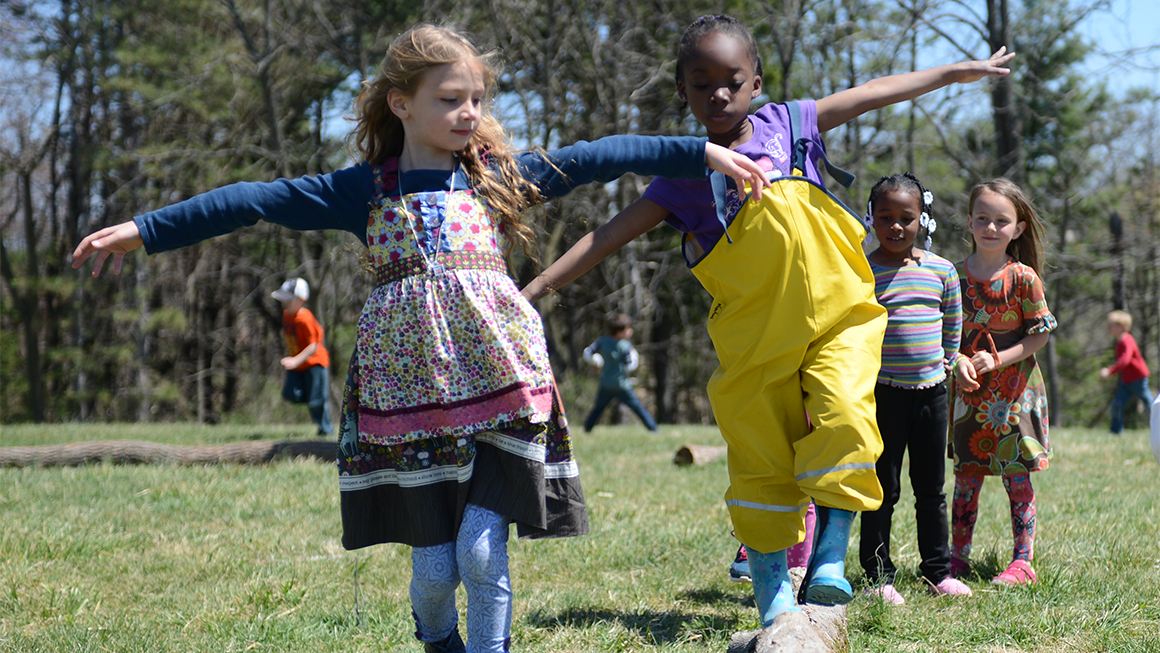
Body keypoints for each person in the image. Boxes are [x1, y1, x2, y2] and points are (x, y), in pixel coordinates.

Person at [71, 24, 768, 653]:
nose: (470, 113)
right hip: (410, 401)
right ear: (401, 103)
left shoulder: (496, 175)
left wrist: (700, 151)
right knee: (435, 571)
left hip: (502, 387)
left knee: (481, 552)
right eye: (450, 99)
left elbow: (600, 155)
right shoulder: (364, 191)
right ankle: (440, 642)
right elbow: (253, 199)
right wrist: (145, 229)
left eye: (477, 99)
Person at [520, 14, 1014, 626]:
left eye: (732, 81)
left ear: (757, 83)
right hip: (757, 342)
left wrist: (956, 73)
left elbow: (874, 92)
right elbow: (607, 235)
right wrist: (538, 286)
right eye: (701, 85)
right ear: (683, 91)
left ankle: (831, 556)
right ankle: (773, 586)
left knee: (848, 417)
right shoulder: (682, 174)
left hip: (840, 318)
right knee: (761, 456)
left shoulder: (789, 124)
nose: (718, 95)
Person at [857, 173, 971, 605]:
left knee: (931, 489)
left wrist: (949, 361)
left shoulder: (941, 270)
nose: (896, 226)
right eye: (885, 217)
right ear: (871, 219)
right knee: (881, 488)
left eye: (906, 217)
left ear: (924, 218)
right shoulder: (860, 270)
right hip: (881, 395)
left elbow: (952, 325)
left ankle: (937, 572)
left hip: (932, 393)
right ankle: (878, 576)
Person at [950, 178, 1056, 588]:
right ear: (970, 222)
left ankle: (1022, 562)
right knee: (966, 477)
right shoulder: (953, 276)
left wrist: (996, 359)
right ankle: (956, 558)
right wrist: (958, 360)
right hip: (971, 392)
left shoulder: (1024, 278)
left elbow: (1039, 334)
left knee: (1017, 476)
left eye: (1001, 220)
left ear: (1019, 228)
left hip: (1015, 392)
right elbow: (945, 336)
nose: (991, 228)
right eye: (982, 218)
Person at [270, 277, 334, 436]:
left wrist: (295, 360)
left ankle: (326, 431)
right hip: (298, 364)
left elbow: (313, 345)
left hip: (314, 363)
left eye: (288, 299)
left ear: (301, 300)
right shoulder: (287, 315)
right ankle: (314, 395)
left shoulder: (304, 318)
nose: (283, 303)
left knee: (316, 402)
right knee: (289, 394)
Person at [582, 313, 658, 432]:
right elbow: (630, 364)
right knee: (637, 407)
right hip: (622, 384)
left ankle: (587, 429)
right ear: (620, 332)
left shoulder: (602, 342)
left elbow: (587, 353)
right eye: (628, 329)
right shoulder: (625, 346)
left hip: (606, 384)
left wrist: (596, 363)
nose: (631, 331)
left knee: (598, 409)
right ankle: (653, 428)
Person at [1099, 310, 1152, 435]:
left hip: (1138, 378)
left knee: (1150, 404)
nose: (1109, 327)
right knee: (1117, 404)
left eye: (1112, 324)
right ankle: (1116, 431)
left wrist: (1110, 371)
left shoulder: (1126, 340)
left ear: (1122, 326)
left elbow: (1125, 360)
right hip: (1127, 380)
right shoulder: (1120, 340)